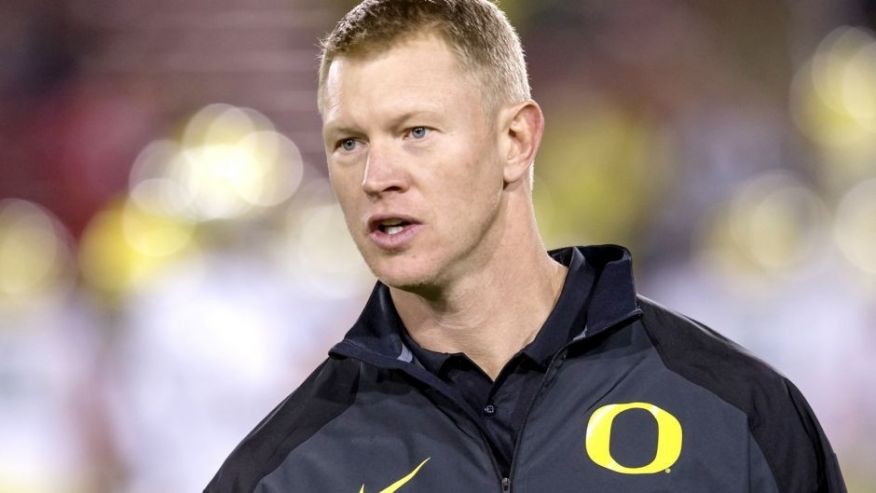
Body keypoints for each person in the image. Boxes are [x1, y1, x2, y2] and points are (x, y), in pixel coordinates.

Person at [205, 0, 847, 491]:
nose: (377, 177)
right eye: (349, 142)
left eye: (416, 132)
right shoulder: (283, 470)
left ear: (515, 140)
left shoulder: (739, 409)